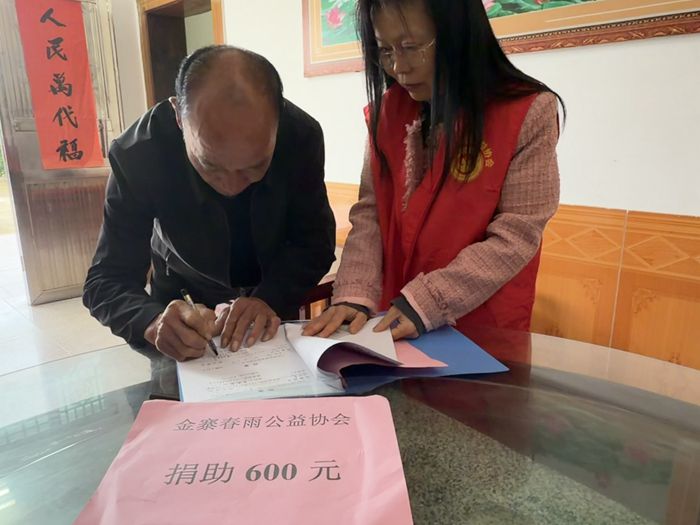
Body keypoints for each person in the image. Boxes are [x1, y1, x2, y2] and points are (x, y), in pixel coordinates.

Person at [305, 0, 562, 340]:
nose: (399, 67)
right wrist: (355, 293)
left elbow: (518, 233)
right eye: (385, 50)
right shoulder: (387, 113)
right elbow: (370, 213)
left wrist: (428, 300)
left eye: (411, 47)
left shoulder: (526, 111)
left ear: (460, 35)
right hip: (395, 310)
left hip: (477, 319)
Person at [84, 45, 335, 361]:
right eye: (210, 166)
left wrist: (269, 298)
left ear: (279, 119)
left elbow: (314, 241)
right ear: (179, 116)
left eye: (254, 167)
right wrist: (152, 321)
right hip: (183, 305)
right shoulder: (139, 153)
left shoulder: (301, 136)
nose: (231, 187)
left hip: (273, 297)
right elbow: (106, 279)